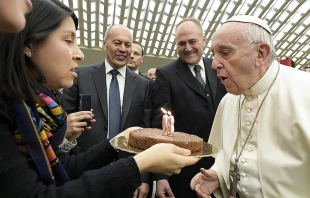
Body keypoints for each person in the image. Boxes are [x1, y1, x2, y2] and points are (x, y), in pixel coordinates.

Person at [0, 0, 200, 197]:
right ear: (29, 44)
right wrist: (140, 163)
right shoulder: (10, 110)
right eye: (68, 40)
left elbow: (62, 166)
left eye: (128, 44)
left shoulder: (35, 109)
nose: (79, 54)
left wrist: (116, 143)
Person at [190, 15, 310, 198]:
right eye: (213, 54)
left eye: (226, 52)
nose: (214, 64)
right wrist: (219, 176)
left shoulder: (305, 91)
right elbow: (224, 154)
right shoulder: (228, 101)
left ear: (261, 53)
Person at [152, 17, 227, 198]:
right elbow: (160, 125)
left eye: (193, 41)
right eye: (182, 43)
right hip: (183, 171)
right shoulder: (166, 74)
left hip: (221, 168)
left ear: (204, 39)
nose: (188, 48)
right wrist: (160, 176)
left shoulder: (218, 67)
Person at [61, 24, 152, 153]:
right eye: (117, 43)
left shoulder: (144, 85)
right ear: (104, 44)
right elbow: (66, 117)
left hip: (127, 162)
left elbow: (145, 128)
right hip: (85, 160)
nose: (122, 49)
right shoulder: (81, 75)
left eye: (127, 45)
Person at [127, 40, 155, 198]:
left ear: (142, 59)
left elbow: (149, 129)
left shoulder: (149, 85)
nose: (131, 56)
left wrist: (144, 177)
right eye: (131, 52)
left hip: (136, 164)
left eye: (136, 54)